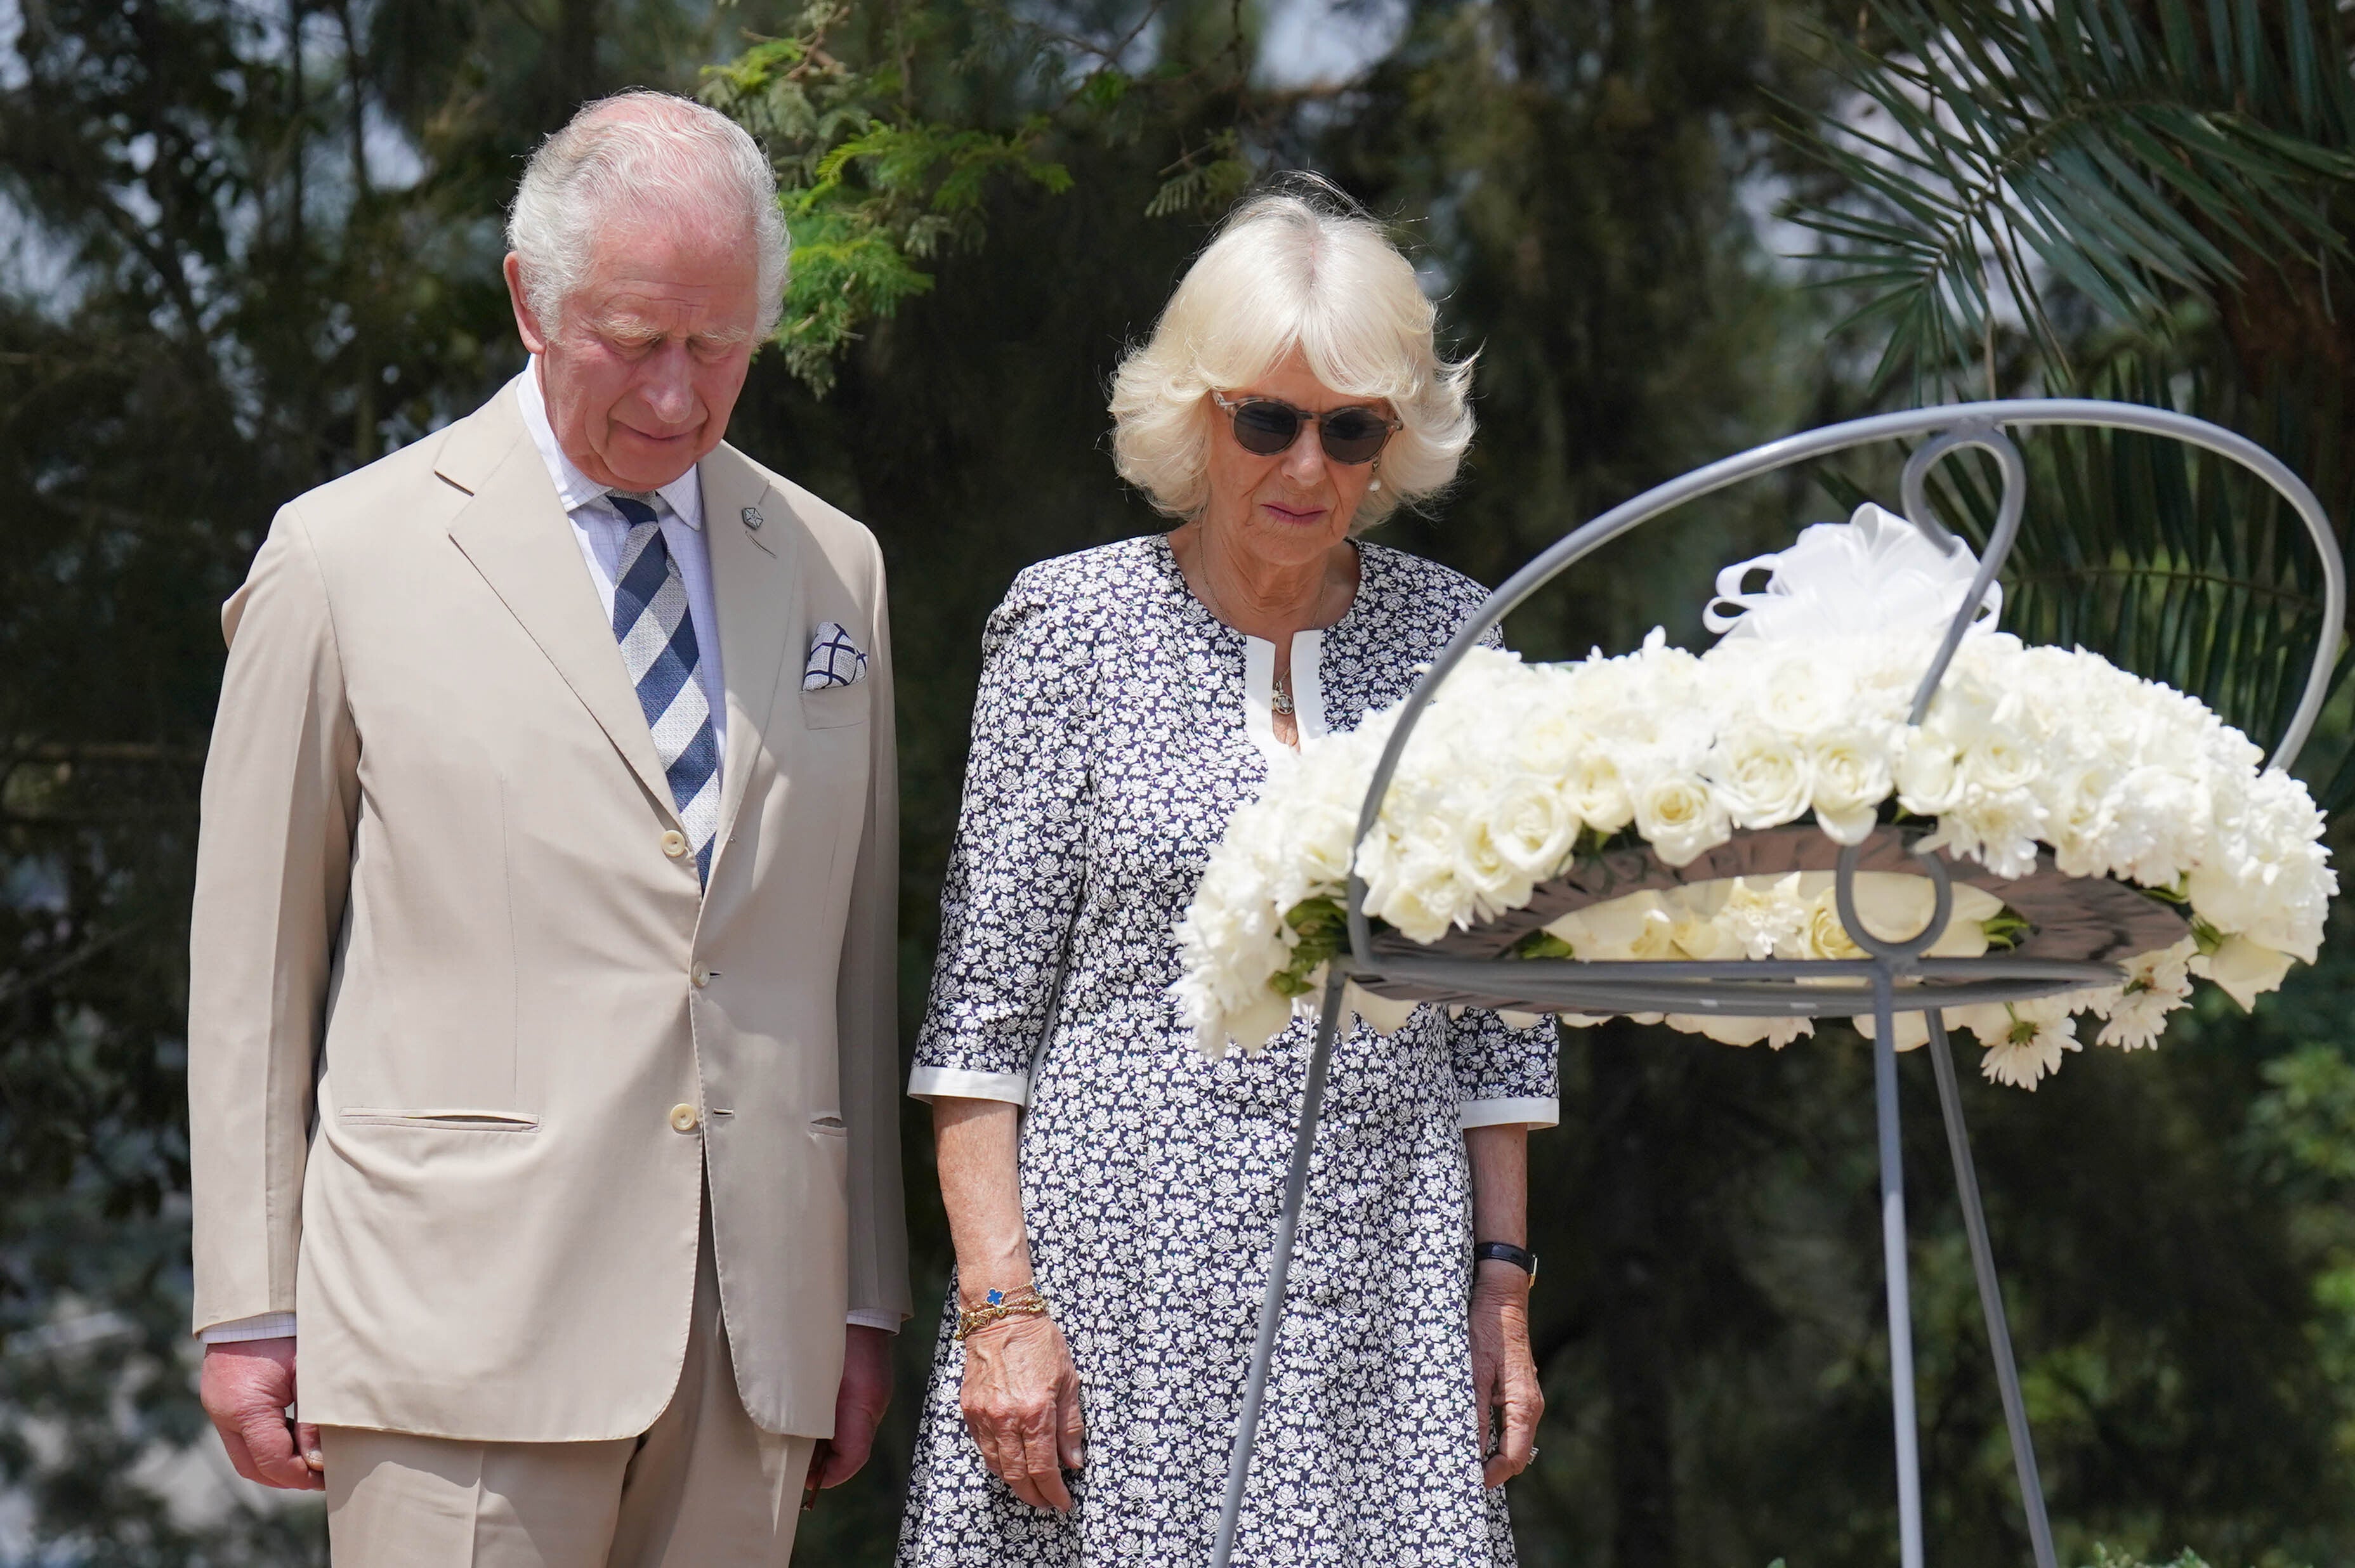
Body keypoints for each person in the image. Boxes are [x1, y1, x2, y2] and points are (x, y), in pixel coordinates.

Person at [186, 91, 909, 1566]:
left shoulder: (837, 567)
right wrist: (251, 1304)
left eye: (719, 345)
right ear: (528, 297)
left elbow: (846, 960)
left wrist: (860, 1294)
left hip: (752, 1340)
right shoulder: (341, 558)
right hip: (453, 1337)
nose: (676, 393)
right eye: (635, 339)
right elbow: (251, 969)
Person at [897, 182, 1556, 1565]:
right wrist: (1001, 1310)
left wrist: (1499, 1281)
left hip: (1383, 1293)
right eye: (1265, 419)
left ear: (1395, 440)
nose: (1304, 467)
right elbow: (979, 1024)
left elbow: (1498, 1015)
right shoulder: (1069, 627)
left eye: (1348, 429)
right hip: (1115, 1290)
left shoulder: (1459, 647)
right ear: (1195, 416)